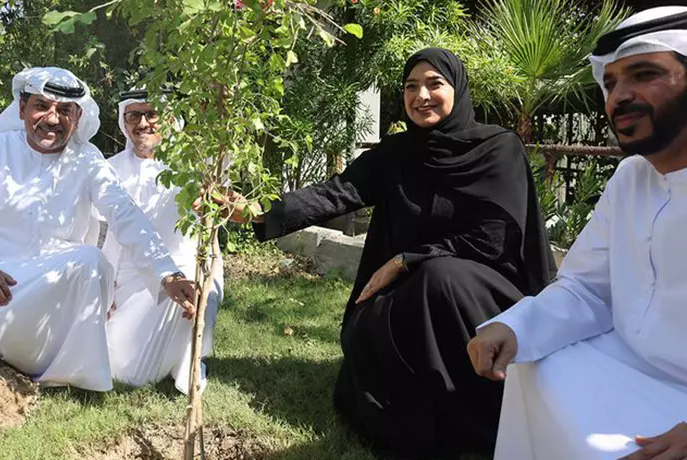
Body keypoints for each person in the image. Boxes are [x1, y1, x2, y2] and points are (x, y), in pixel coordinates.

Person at [215, 48, 554, 458]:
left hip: (484, 291)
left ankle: (485, 415)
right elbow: (336, 193)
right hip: (418, 285)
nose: (421, 96)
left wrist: (404, 261)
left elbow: (492, 239)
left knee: (441, 278)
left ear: (458, 89)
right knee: (370, 323)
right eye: (411, 86)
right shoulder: (398, 153)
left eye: (434, 84)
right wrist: (257, 212)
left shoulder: (499, 149)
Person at [468, 7, 687, 460]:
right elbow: (587, 288)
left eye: (644, 74)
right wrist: (515, 325)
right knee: (533, 359)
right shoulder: (630, 178)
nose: (619, 97)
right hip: (623, 365)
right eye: (610, 84)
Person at [0, 67, 196, 392]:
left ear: (78, 115)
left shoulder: (87, 160)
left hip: (59, 301)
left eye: (64, 110)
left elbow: (126, 215)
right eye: (41, 106)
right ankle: (40, 367)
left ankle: (49, 371)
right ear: (21, 109)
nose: (52, 119)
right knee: (87, 262)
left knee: (89, 262)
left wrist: (167, 274)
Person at [99, 88, 223, 394]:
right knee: (122, 370)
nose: (143, 123)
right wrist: (103, 293)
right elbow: (103, 237)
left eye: (151, 114)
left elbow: (225, 161)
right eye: (134, 115)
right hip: (125, 280)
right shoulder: (108, 169)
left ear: (168, 119)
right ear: (123, 121)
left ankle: (184, 362)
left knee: (184, 293)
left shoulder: (196, 165)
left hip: (184, 268)